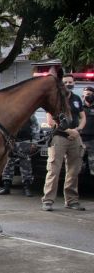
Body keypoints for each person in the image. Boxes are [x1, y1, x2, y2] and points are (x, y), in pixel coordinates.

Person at [41, 74, 86, 211]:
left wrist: (77, 130)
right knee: (53, 170)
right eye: (65, 82)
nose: (68, 84)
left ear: (74, 83)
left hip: (75, 137)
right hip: (59, 137)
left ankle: (72, 201)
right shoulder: (54, 99)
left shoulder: (77, 99)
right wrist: (69, 131)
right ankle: (48, 201)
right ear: (61, 84)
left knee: (74, 170)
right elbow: (50, 121)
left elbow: (83, 117)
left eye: (70, 82)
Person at [0, 114, 39, 196]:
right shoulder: (11, 112)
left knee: (26, 165)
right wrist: (5, 141)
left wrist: (35, 142)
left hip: (25, 142)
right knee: (8, 164)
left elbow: (35, 127)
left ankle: (26, 188)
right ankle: (6, 187)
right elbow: (3, 127)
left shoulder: (30, 114)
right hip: (11, 142)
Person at [81, 86, 94, 176]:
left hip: (92, 141)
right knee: (77, 167)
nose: (86, 96)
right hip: (80, 141)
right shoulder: (79, 108)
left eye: (89, 94)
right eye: (85, 95)